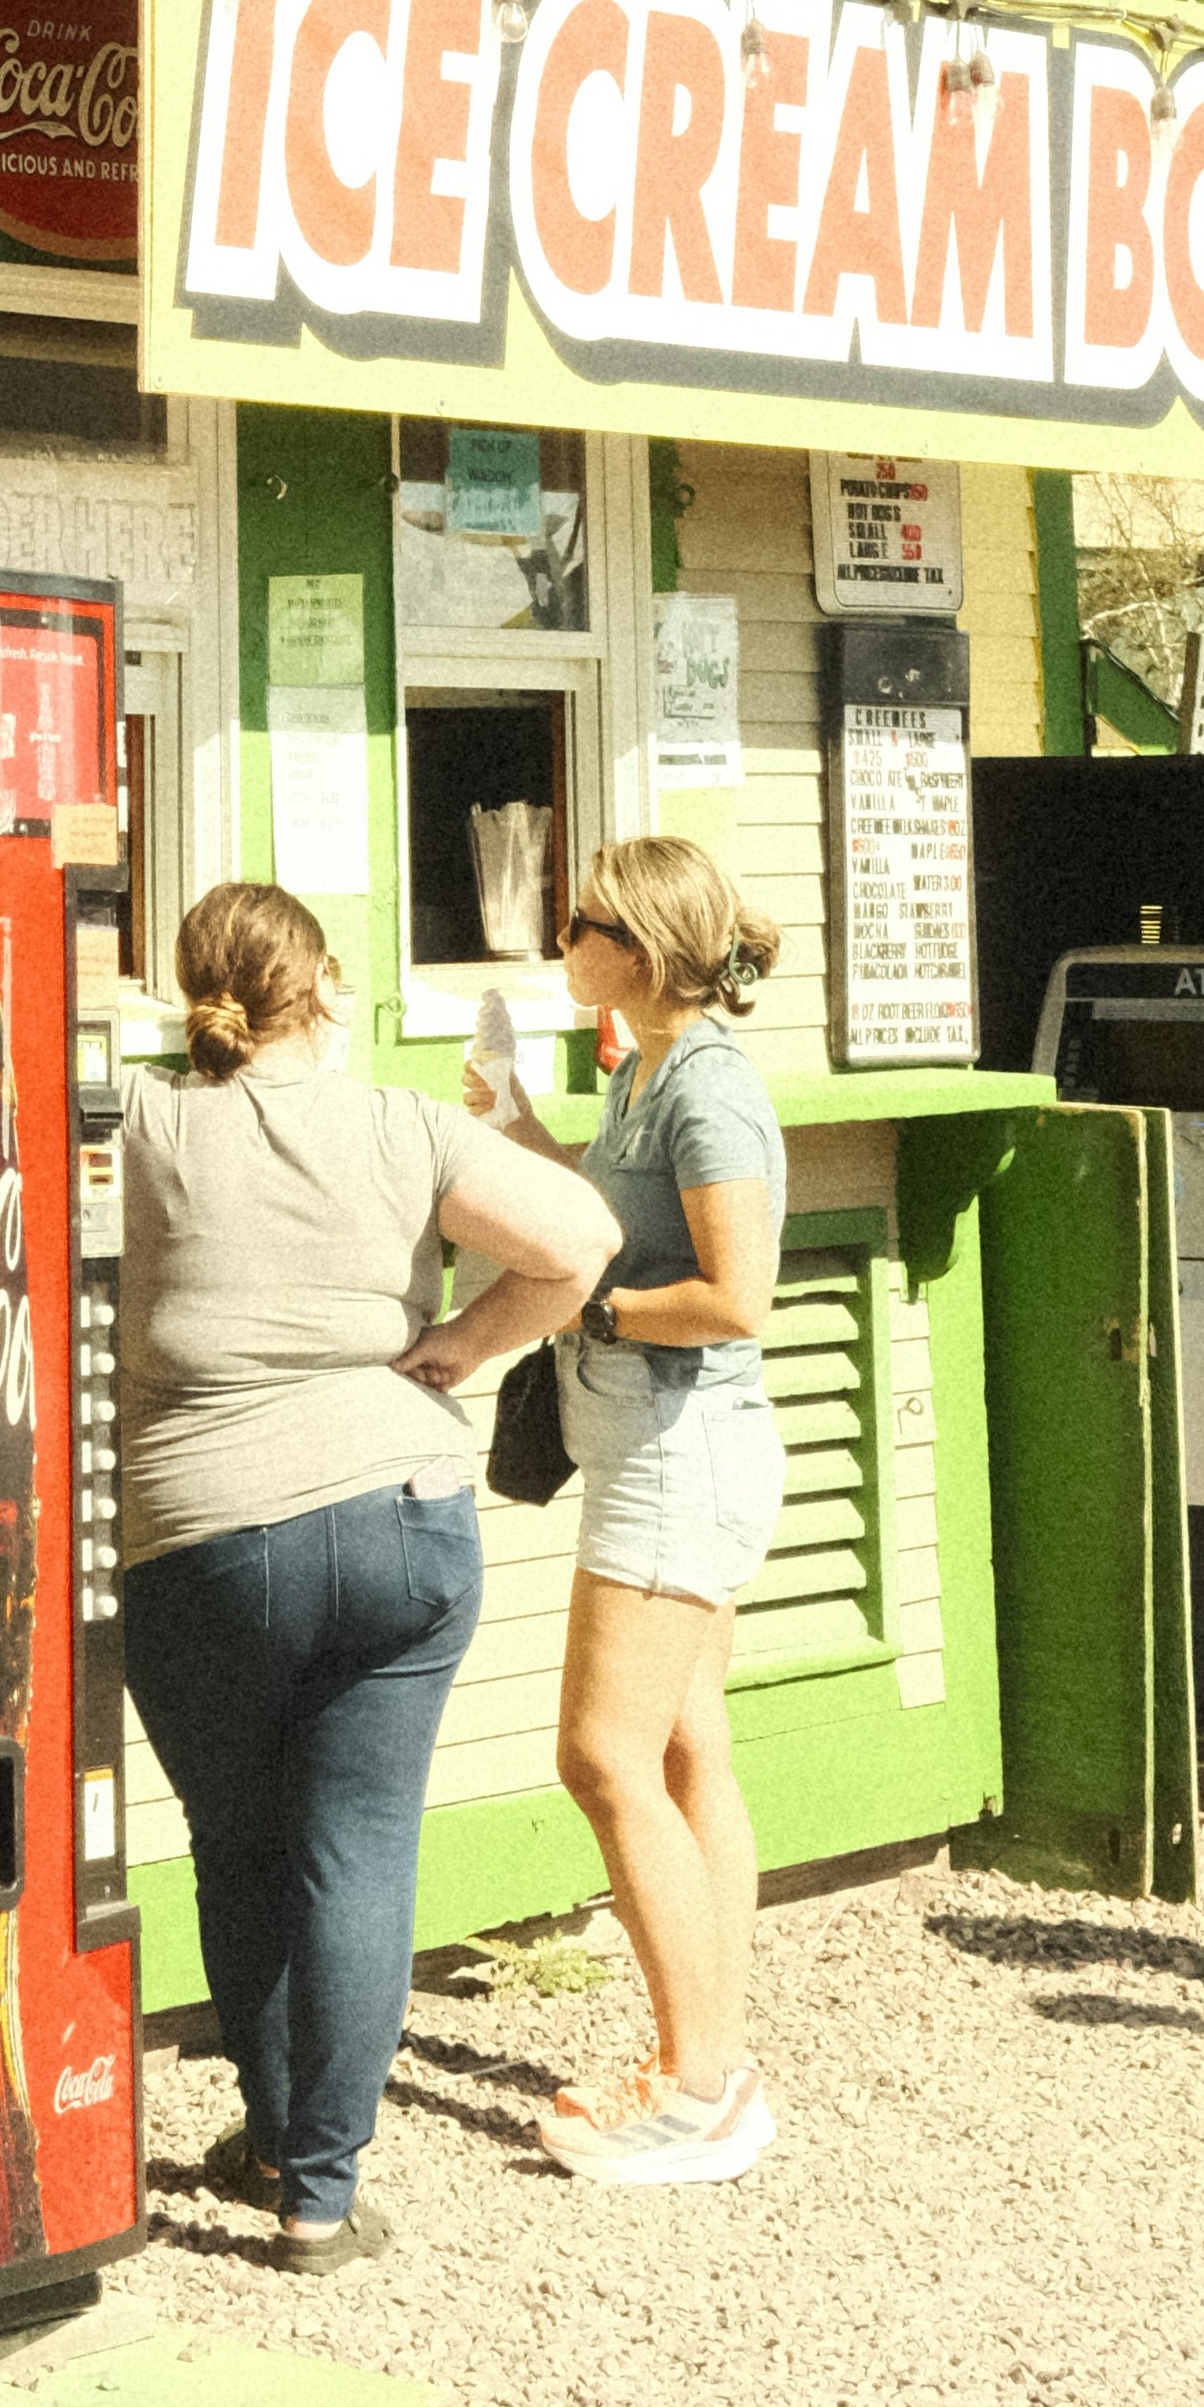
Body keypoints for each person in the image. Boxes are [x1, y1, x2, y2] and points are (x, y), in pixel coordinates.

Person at [117, 877, 621, 2270]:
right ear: (327, 987)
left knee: (241, 1844)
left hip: (203, 1532)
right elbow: (581, 1240)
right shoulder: (405, 1123)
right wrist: (462, 1343)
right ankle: (319, 2199)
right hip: (400, 1512)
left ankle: (274, 2132)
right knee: (357, 1849)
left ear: (191, 996)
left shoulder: (146, 1122)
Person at [474, 832, 792, 2187]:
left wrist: (589, 1310)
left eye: (581, 924)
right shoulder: (648, 1071)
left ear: (645, 949)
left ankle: (697, 2087)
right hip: (665, 1448)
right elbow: (622, 1215)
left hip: (678, 1452)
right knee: (680, 1751)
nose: (563, 944)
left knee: (603, 1757)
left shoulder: (707, 1089)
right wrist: (520, 1137)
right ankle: (711, 2055)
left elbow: (735, 1296)